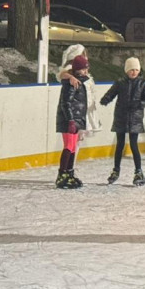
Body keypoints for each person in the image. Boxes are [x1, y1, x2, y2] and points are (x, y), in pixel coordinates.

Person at [100, 57, 145, 186]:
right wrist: (106, 99)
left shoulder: (142, 83)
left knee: (134, 145)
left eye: (136, 70)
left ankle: (138, 171)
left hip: (135, 118)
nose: (134, 72)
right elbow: (111, 93)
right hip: (121, 117)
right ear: (126, 70)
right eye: (131, 70)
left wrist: (139, 104)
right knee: (120, 145)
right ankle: (116, 170)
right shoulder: (120, 82)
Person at [55, 55, 91, 189]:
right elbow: (66, 103)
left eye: (86, 68)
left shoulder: (80, 81)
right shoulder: (71, 83)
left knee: (73, 146)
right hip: (68, 120)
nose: (85, 71)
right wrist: (70, 120)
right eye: (82, 69)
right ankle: (62, 175)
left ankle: (69, 173)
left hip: (76, 120)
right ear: (77, 69)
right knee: (69, 146)